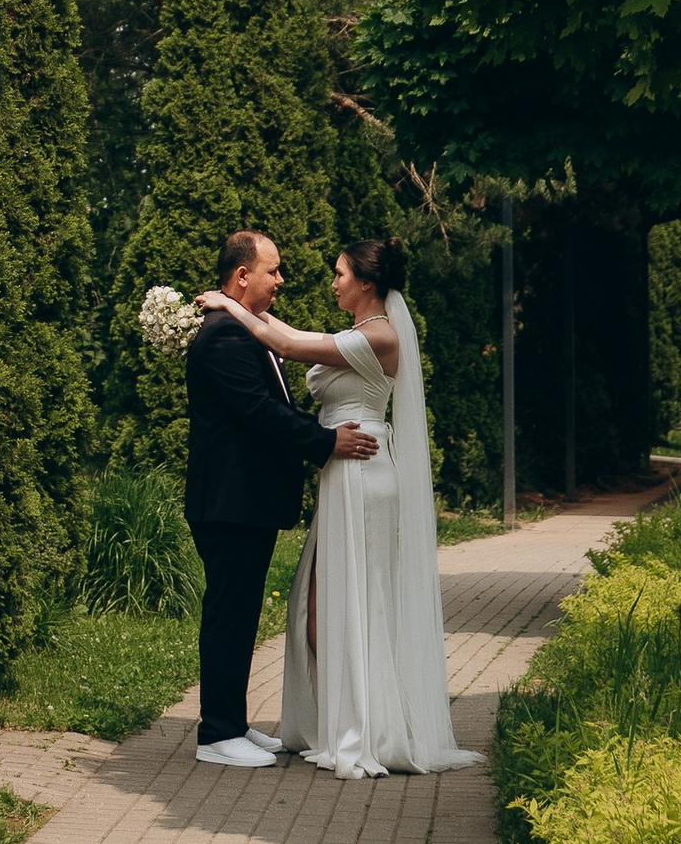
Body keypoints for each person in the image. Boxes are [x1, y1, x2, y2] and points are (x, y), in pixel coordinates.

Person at [197, 236, 477, 778]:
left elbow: (292, 345)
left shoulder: (378, 335)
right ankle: (314, 721)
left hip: (360, 468)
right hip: (341, 470)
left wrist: (231, 304)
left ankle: (362, 728)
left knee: (349, 601)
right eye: (272, 272)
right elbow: (282, 345)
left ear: (367, 283)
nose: (332, 281)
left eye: (340, 273)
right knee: (322, 603)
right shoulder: (354, 333)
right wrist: (233, 308)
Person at [183, 230, 378, 769]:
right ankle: (216, 734)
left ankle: (233, 723)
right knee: (229, 612)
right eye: (272, 270)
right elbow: (260, 414)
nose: (280, 280)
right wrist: (326, 442)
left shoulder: (243, 328)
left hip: (242, 501)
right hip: (229, 501)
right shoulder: (224, 337)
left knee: (241, 612)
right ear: (242, 275)